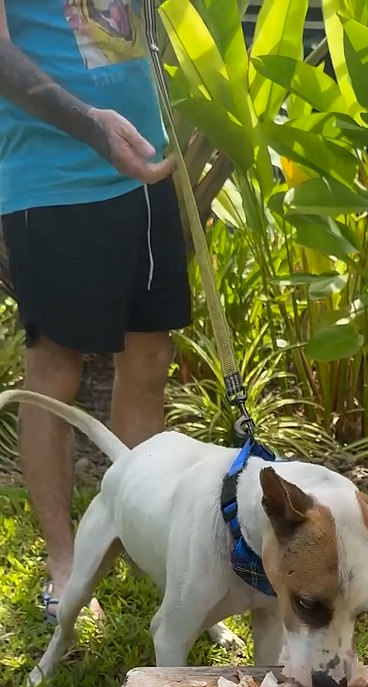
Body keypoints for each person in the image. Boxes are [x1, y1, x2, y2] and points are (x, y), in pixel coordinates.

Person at [0, 0, 191, 621]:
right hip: (53, 181)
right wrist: (90, 124)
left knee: (150, 354)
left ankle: (144, 546)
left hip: (145, 171)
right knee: (56, 366)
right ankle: (63, 562)